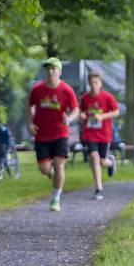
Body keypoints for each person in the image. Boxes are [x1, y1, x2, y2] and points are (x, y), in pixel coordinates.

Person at [27, 57, 79, 211]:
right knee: (44, 169)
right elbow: (30, 106)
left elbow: (76, 109)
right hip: (42, 134)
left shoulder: (66, 90)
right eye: (48, 68)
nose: (50, 71)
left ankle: (56, 199)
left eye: (53, 68)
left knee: (59, 165)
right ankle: (51, 174)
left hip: (60, 133)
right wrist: (30, 123)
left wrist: (69, 118)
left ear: (59, 72)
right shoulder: (37, 89)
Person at [78, 72, 119, 200]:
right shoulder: (85, 98)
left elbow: (116, 112)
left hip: (104, 133)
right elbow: (81, 112)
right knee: (94, 157)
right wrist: (82, 115)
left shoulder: (107, 97)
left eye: (96, 83)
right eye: (91, 83)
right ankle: (98, 188)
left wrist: (102, 116)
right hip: (90, 133)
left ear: (100, 84)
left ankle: (110, 163)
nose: (93, 85)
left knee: (102, 161)